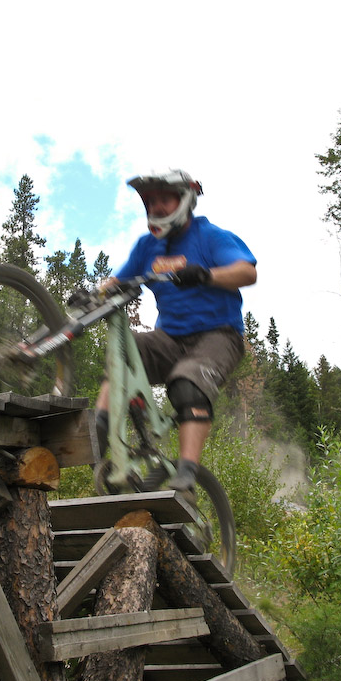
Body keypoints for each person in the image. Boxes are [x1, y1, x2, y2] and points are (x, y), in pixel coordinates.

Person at [95, 168, 257, 501]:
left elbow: (247, 271)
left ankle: (186, 475)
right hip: (169, 339)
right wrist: (94, 293)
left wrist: (205, 275)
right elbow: (117, 283)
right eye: (151, 201)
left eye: (164, 200)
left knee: (187, 384)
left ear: (184, 201)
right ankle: (98, 430)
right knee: (124, 350)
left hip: (218, 336)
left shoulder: (210, 236)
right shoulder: (148, 247)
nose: (156, 207)